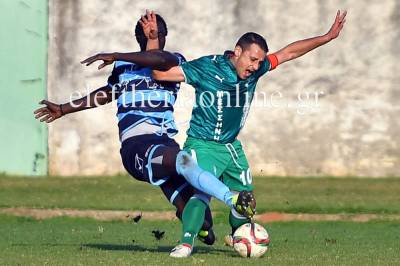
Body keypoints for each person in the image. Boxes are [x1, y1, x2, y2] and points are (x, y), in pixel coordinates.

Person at [82, 10, 347, 258]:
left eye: (260, 61)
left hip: (231, 147)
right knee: (200, 194)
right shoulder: (206, 67)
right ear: (237, 52)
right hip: (203, 144)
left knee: (247, 201)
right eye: (252, 59)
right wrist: (148, 44)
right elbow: (160, 72)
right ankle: (186, 242)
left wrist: (327, 37)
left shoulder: (257, 69)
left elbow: (288, 52)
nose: (256, 66)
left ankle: (237, 235)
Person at [34, 11, 254, 246]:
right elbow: (109, 93)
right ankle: (231, 198)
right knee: (185, 162)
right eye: (149, 33)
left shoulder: (173, 61)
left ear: (164, 37)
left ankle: (200, 228)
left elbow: (157, 59)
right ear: (140, 37)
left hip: (165, 143)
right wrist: (64, 109)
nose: (154, 35)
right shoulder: (123, 66)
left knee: (204, 223)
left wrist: (136, 46)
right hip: (137, 146)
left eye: (157, 33)